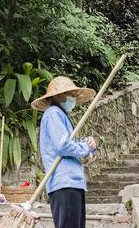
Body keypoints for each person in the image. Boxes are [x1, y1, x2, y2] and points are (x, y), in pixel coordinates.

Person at [31, 76, 98, 228]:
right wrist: (85, 148)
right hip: (65, 184)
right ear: (57, 96)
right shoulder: (53, 113)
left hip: (72, 183)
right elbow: (63, 146)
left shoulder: (61, 115)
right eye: (70, 94)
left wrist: (87, 148)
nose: (73, 98)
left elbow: (69, 147)